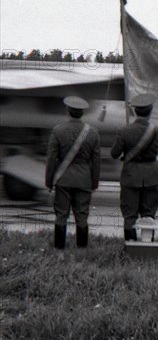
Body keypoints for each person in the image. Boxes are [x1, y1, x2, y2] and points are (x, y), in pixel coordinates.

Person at [45, 96, 101, 249]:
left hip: (63, 179)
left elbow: (51, 159)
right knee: (82, 216)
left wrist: (49, 182)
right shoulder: (93, 133)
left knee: (61, 215)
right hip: (84, 179)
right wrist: (94, 183)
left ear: (67, 111)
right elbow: (96, 161)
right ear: (83, 113)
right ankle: (81, 251)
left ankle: (59, 250)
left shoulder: (58, 130)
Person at [111, 93, 158, 241]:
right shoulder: (157, 131)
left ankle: (130, 246)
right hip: (151, 174)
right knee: (149, 214)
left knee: (129, 214)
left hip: (131, 175)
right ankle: (148, 246)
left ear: (134, 111)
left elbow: (114, 154)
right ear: (151, 111)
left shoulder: (124, 131)